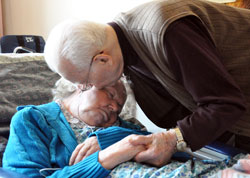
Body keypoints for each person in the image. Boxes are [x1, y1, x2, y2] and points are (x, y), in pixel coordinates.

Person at [44, 0, 250, 167]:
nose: (90, 88)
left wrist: (173, 139)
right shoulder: (123, 51)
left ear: (102, 60)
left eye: (86, 83)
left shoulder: (167, 30)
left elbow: (225, 103)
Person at [2, 78, 149, 178]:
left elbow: (163, 145)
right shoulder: (31, 119)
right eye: (110, 95)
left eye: (119, 107)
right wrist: (103, 159)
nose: (115, 107)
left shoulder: (128, 127)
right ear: (83, 83)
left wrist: (110, 138)